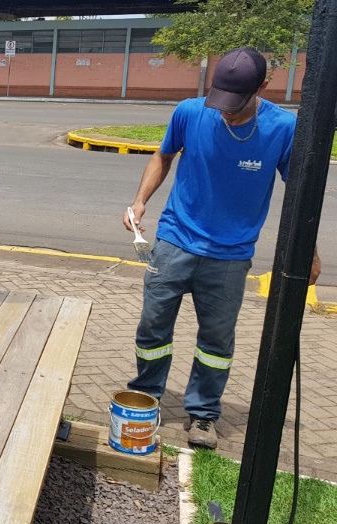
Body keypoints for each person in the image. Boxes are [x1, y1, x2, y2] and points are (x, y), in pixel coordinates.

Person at [123, 46, 322, 449]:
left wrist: (308, 248)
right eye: (220, 101)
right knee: (152, 328)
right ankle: (147, 395)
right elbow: (163, 157)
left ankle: (202, 414)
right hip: (174, 241)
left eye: (236, 104)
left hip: (230, 257)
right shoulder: (190, 112)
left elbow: (298, 190)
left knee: (216, 343)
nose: (225, 111)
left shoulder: (283, 128)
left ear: (263, 87)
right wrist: (141, 199)